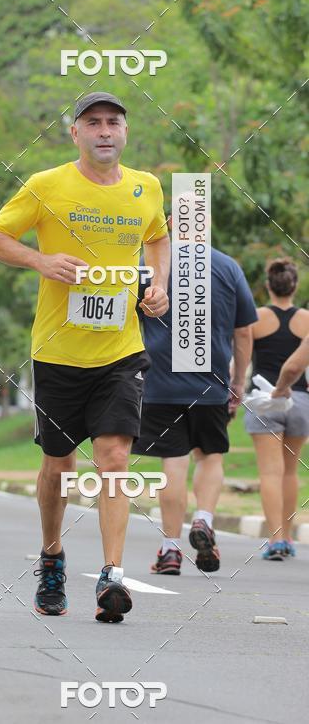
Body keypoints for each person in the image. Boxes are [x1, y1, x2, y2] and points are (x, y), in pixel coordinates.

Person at [0, 91, 170, 623]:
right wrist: (41, 260)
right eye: (93, 123)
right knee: (58, 466)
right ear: (75, 133)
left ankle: (112, 575)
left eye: (113, 123)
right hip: (59, 351)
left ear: (125, 133)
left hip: (121, 349)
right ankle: (52, 555)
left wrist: (159, 283)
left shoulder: (146, 187)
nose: (104, 131)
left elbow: (158, 238)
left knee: (113, 457)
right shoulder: (46, 186)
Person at [134, 213, 256, 575]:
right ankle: (203, 520)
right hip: (210, 382)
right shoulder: (228, 267)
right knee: (210, 455)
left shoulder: (145, 268)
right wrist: (238, 380)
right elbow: (245, 332)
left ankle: (170, 550)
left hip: (159, 382)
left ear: (171, 222)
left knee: (173, 460)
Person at [245, 258, 309, 560]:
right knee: (290, 472)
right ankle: (289, 536)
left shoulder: (256, 318)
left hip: (264, 399)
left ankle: (275, 541)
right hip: (299, 399)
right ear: (294, 285)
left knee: (270, 473)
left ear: (268, 285)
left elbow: (243, 353)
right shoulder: (307, 320)